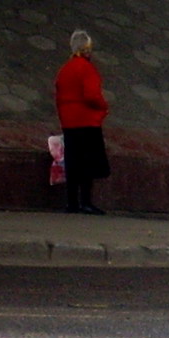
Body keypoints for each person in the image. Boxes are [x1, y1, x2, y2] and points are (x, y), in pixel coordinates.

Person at [54, 29, 110, 215]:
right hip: (87, 120)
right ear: (87, 49)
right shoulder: (87, 68)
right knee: (87, 163)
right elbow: (92, 95)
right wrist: (103, 107)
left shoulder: (64, 69)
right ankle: (86, 201)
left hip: (69, 122)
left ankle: (72, 203)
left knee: (72, 162)